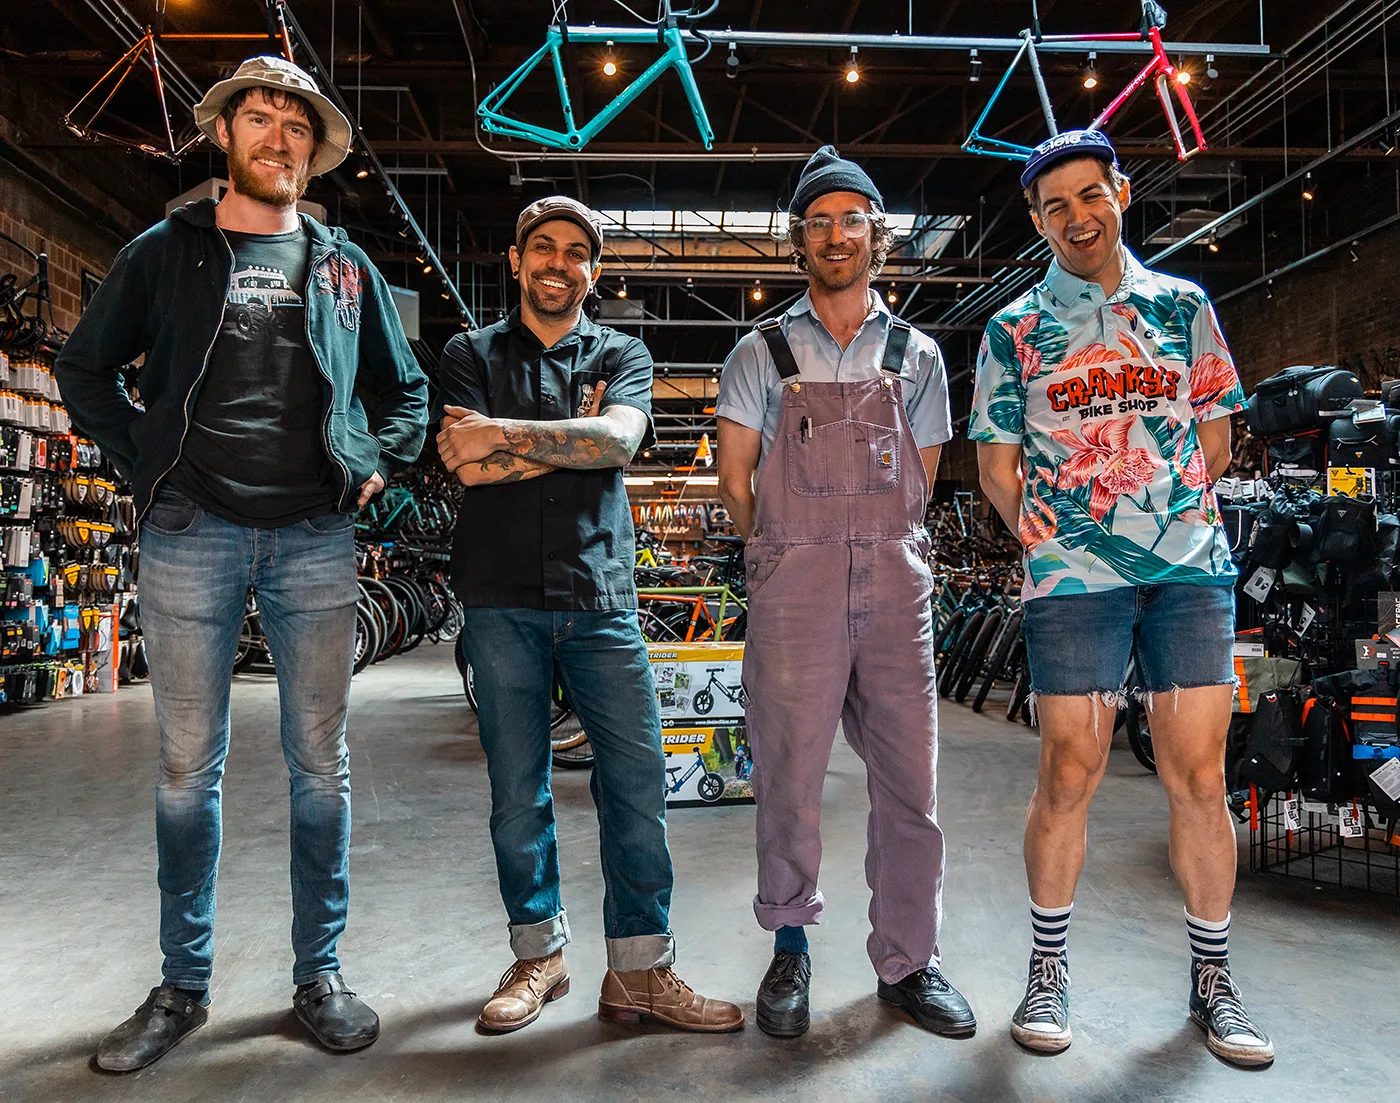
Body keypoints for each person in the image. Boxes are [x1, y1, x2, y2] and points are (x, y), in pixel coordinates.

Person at [54, 56, 428, 1071]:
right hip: (190, 533)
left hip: (314, 534)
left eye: (295, 125)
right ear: (223, 136)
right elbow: (82, 366)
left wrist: (375, 463)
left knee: (320, 765)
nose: (278, 137)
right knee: (186, 767)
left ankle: (320, 971)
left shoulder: (345, 265)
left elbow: (407, 393)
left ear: (313, 148)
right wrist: (143, 461)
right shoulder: (165, 251)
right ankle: (182, 983)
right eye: (258, 118)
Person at [968, 129, 1272, 1067]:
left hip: (1187, 575)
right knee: (1068, 770)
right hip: (1075, 582)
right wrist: (1068, 541)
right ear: (1037, 220)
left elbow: (1213, 442)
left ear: (1121, 193)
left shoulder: (1185, 308)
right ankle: (1049, 969)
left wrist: (1163, 519)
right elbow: (995, 466)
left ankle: (1213, 980)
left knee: (1201, 777)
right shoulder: (1014, 329)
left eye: (1089, 195)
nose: (1076, 217)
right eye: (1055, 206)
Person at [435, 195, 743, 1036]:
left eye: (577, 251)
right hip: (499, 599)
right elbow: (465, 469)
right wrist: (570, 438)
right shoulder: (469, 351)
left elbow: (615, 444)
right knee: (515, 791)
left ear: (593, 271)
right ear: (516, 258)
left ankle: (640, 971)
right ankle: (541, 954)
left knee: (637, 783)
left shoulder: (623, 350)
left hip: (601, 600)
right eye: (544, 247)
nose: (558, 263)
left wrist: (507, 438)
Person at [716, 147, 974, 1040]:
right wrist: (789, 556)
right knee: (789, 772)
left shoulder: (919, 355)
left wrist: (873, 544)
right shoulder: (761, 350)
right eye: (819, 220)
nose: (836, 234)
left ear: (876, 233)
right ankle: (790, 945)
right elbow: (736, 480)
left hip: (896, 584)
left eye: (851, 218)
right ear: (799, 239)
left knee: (911, 779)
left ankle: (909, 959)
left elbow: (924, 480)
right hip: (798, 576)